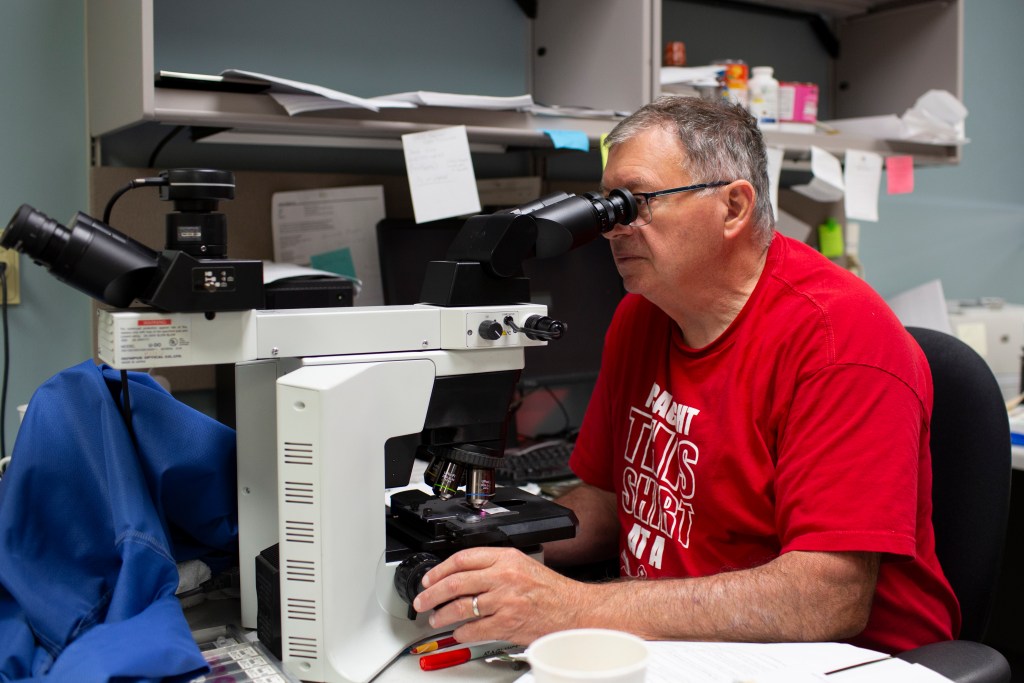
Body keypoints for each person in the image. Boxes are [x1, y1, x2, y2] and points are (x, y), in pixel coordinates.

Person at [412, 95, 960, 654]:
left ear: (733, 207)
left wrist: (570, 606)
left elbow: (827, 597)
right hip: (683, 641)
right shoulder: (643, 315)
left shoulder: (839, 342)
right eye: (609, 205)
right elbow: (607, 500)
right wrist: (488, 549)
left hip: (847, 661)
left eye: (636, 202)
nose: (613, 229)